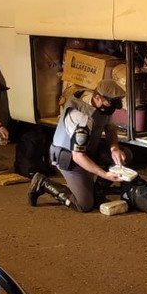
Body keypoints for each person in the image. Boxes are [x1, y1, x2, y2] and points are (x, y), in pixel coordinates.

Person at [28, 80, 132, 212]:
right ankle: (43, 183)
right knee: (83, 204)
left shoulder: (102, 105)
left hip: (87, 150)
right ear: (98, 98)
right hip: (68, 157)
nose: (114, 107)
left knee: (125, 154)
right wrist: (104, 174)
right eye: (111, 102)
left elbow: (110, 128)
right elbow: (78, 156)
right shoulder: (82, 118)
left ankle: (96, 193)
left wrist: (114, 148)